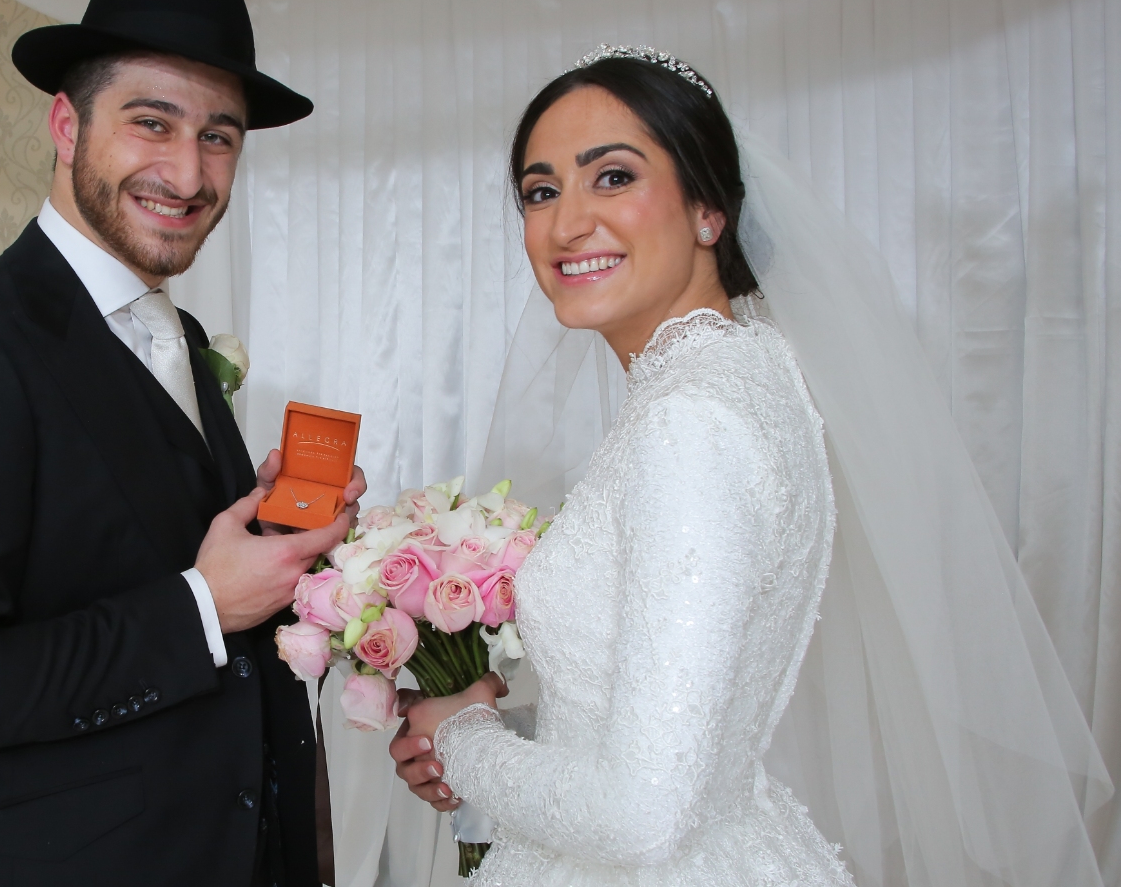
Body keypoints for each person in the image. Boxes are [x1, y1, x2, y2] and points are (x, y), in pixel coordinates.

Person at [389, 47, 1111, 886]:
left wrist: (461, 739)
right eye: (541, 191)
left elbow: (641, 817)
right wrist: (503, 739)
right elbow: (676, 733)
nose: (567, 223)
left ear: (709, 211)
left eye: (613, 177)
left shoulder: (689, 423)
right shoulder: (749, 376)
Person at [0, 0, 362, 887]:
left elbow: (136, 545)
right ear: (66, 123)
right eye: (151, 123)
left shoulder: (182, 333)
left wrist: (272, 536)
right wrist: (204, 606)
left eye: (218, 136)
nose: (188, 173)